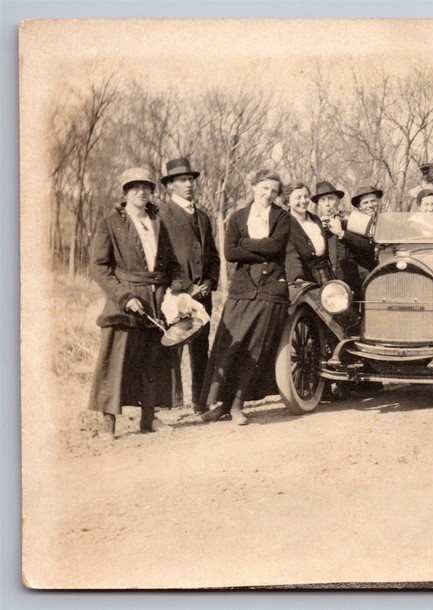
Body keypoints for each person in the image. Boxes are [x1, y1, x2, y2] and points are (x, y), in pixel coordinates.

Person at [88, 167, 184, 439]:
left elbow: (172, 264)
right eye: (134, 187)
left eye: (146, 187)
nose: (141, 192)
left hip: (156, 299)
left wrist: (175, 291)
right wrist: (125, 297)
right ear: (125, 192)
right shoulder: (110, 223)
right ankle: (108, 424)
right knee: (116, 361)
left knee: (152, 361)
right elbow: (100, 268)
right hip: (125, 299)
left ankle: (149, 419)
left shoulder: (158, 222)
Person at [200, 170, 291, 426]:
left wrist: (245, 243)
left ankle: (237, 406)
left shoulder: (282, 217)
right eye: (264, 188)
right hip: (241, 290)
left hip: (270, 291)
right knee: (230, 347)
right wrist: (261, 246)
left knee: (254, 350)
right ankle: (221, 405)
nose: (268, 194)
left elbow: (276, 247)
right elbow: (230, 252)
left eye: (274, 191)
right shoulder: (239, 216)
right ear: (253, 187)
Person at [157, 157, 220, 415]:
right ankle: (168, 404)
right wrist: (184, 287)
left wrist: (209, 282)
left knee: (201, 346)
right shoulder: (162, 215)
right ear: (170, 185)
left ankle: (200, 401)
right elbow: (161, 259)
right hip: (176, 294)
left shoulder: (203, 217)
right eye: (182, 180)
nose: (188, 184)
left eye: (191, 179)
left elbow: (213, 256)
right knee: (173, 345)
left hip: (202, 295)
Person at [285, 182, 335, 286]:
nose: (303, 201)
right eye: (298, 197)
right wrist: (298, 279)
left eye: (306, 196)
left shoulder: (316, 220)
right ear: (288, 202)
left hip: (327, 276)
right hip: (304, 280)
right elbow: (291, 257)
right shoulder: (285, 225)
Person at [339, 183, 383, 294]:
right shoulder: (352, 225)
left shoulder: (387, 222)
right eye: (365, 202)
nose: (370, 205)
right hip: (365, 273)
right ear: (359, 207)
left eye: (373, 201)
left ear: (378, 202)